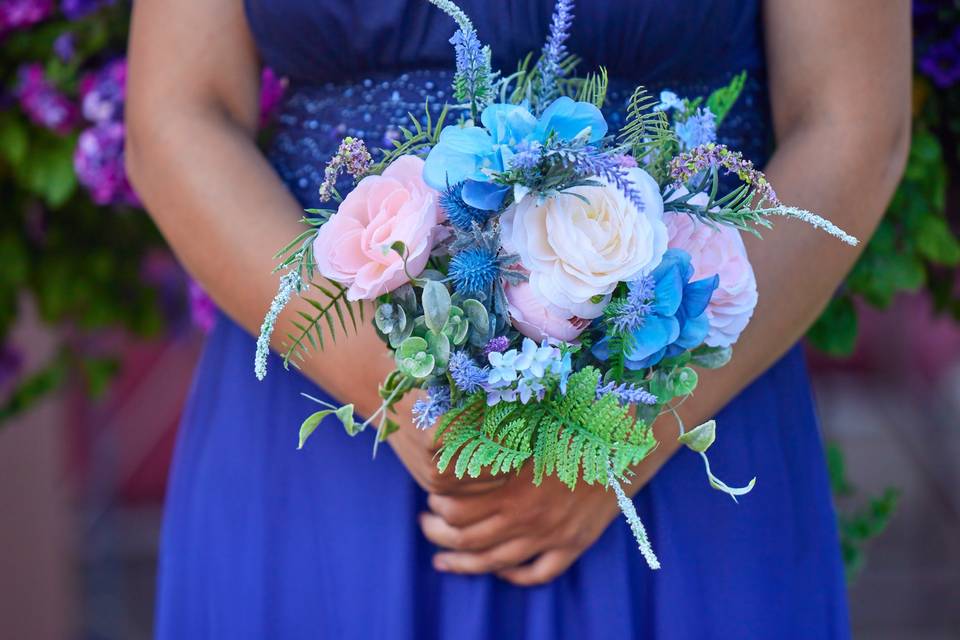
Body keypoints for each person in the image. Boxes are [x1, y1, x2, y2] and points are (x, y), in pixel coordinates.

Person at [126, 1, 910, 637]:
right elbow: (178, 114)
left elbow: (849, 124)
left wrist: (619, 434)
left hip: (675, 414)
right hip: (329, 426)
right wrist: (391, 387)